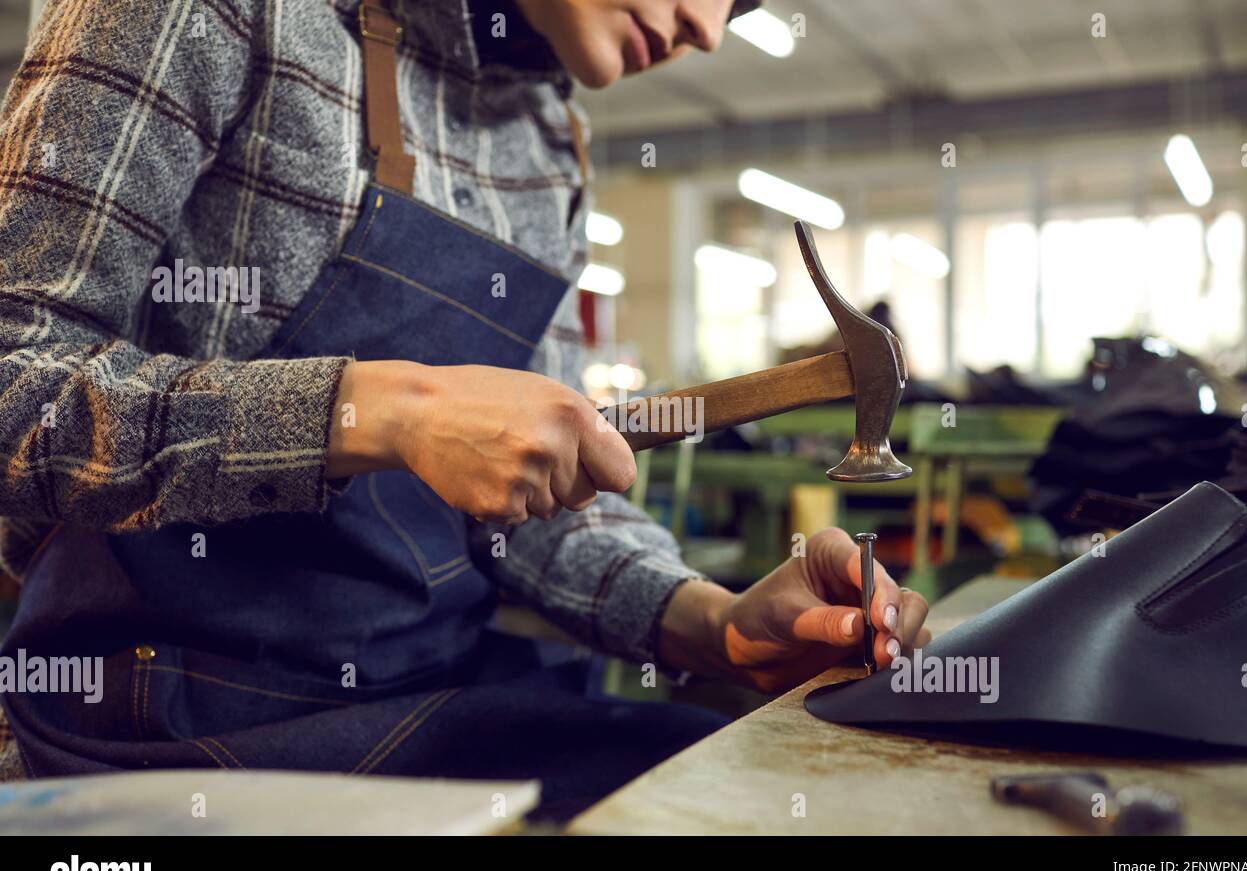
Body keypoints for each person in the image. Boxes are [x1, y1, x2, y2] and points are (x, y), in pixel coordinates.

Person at [0, 0, 929, 816]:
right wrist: (375, 409)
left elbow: (539, 508)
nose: (708, 24)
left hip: (429, 701)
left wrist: (710, 623)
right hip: (163, 718)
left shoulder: (550, 137)